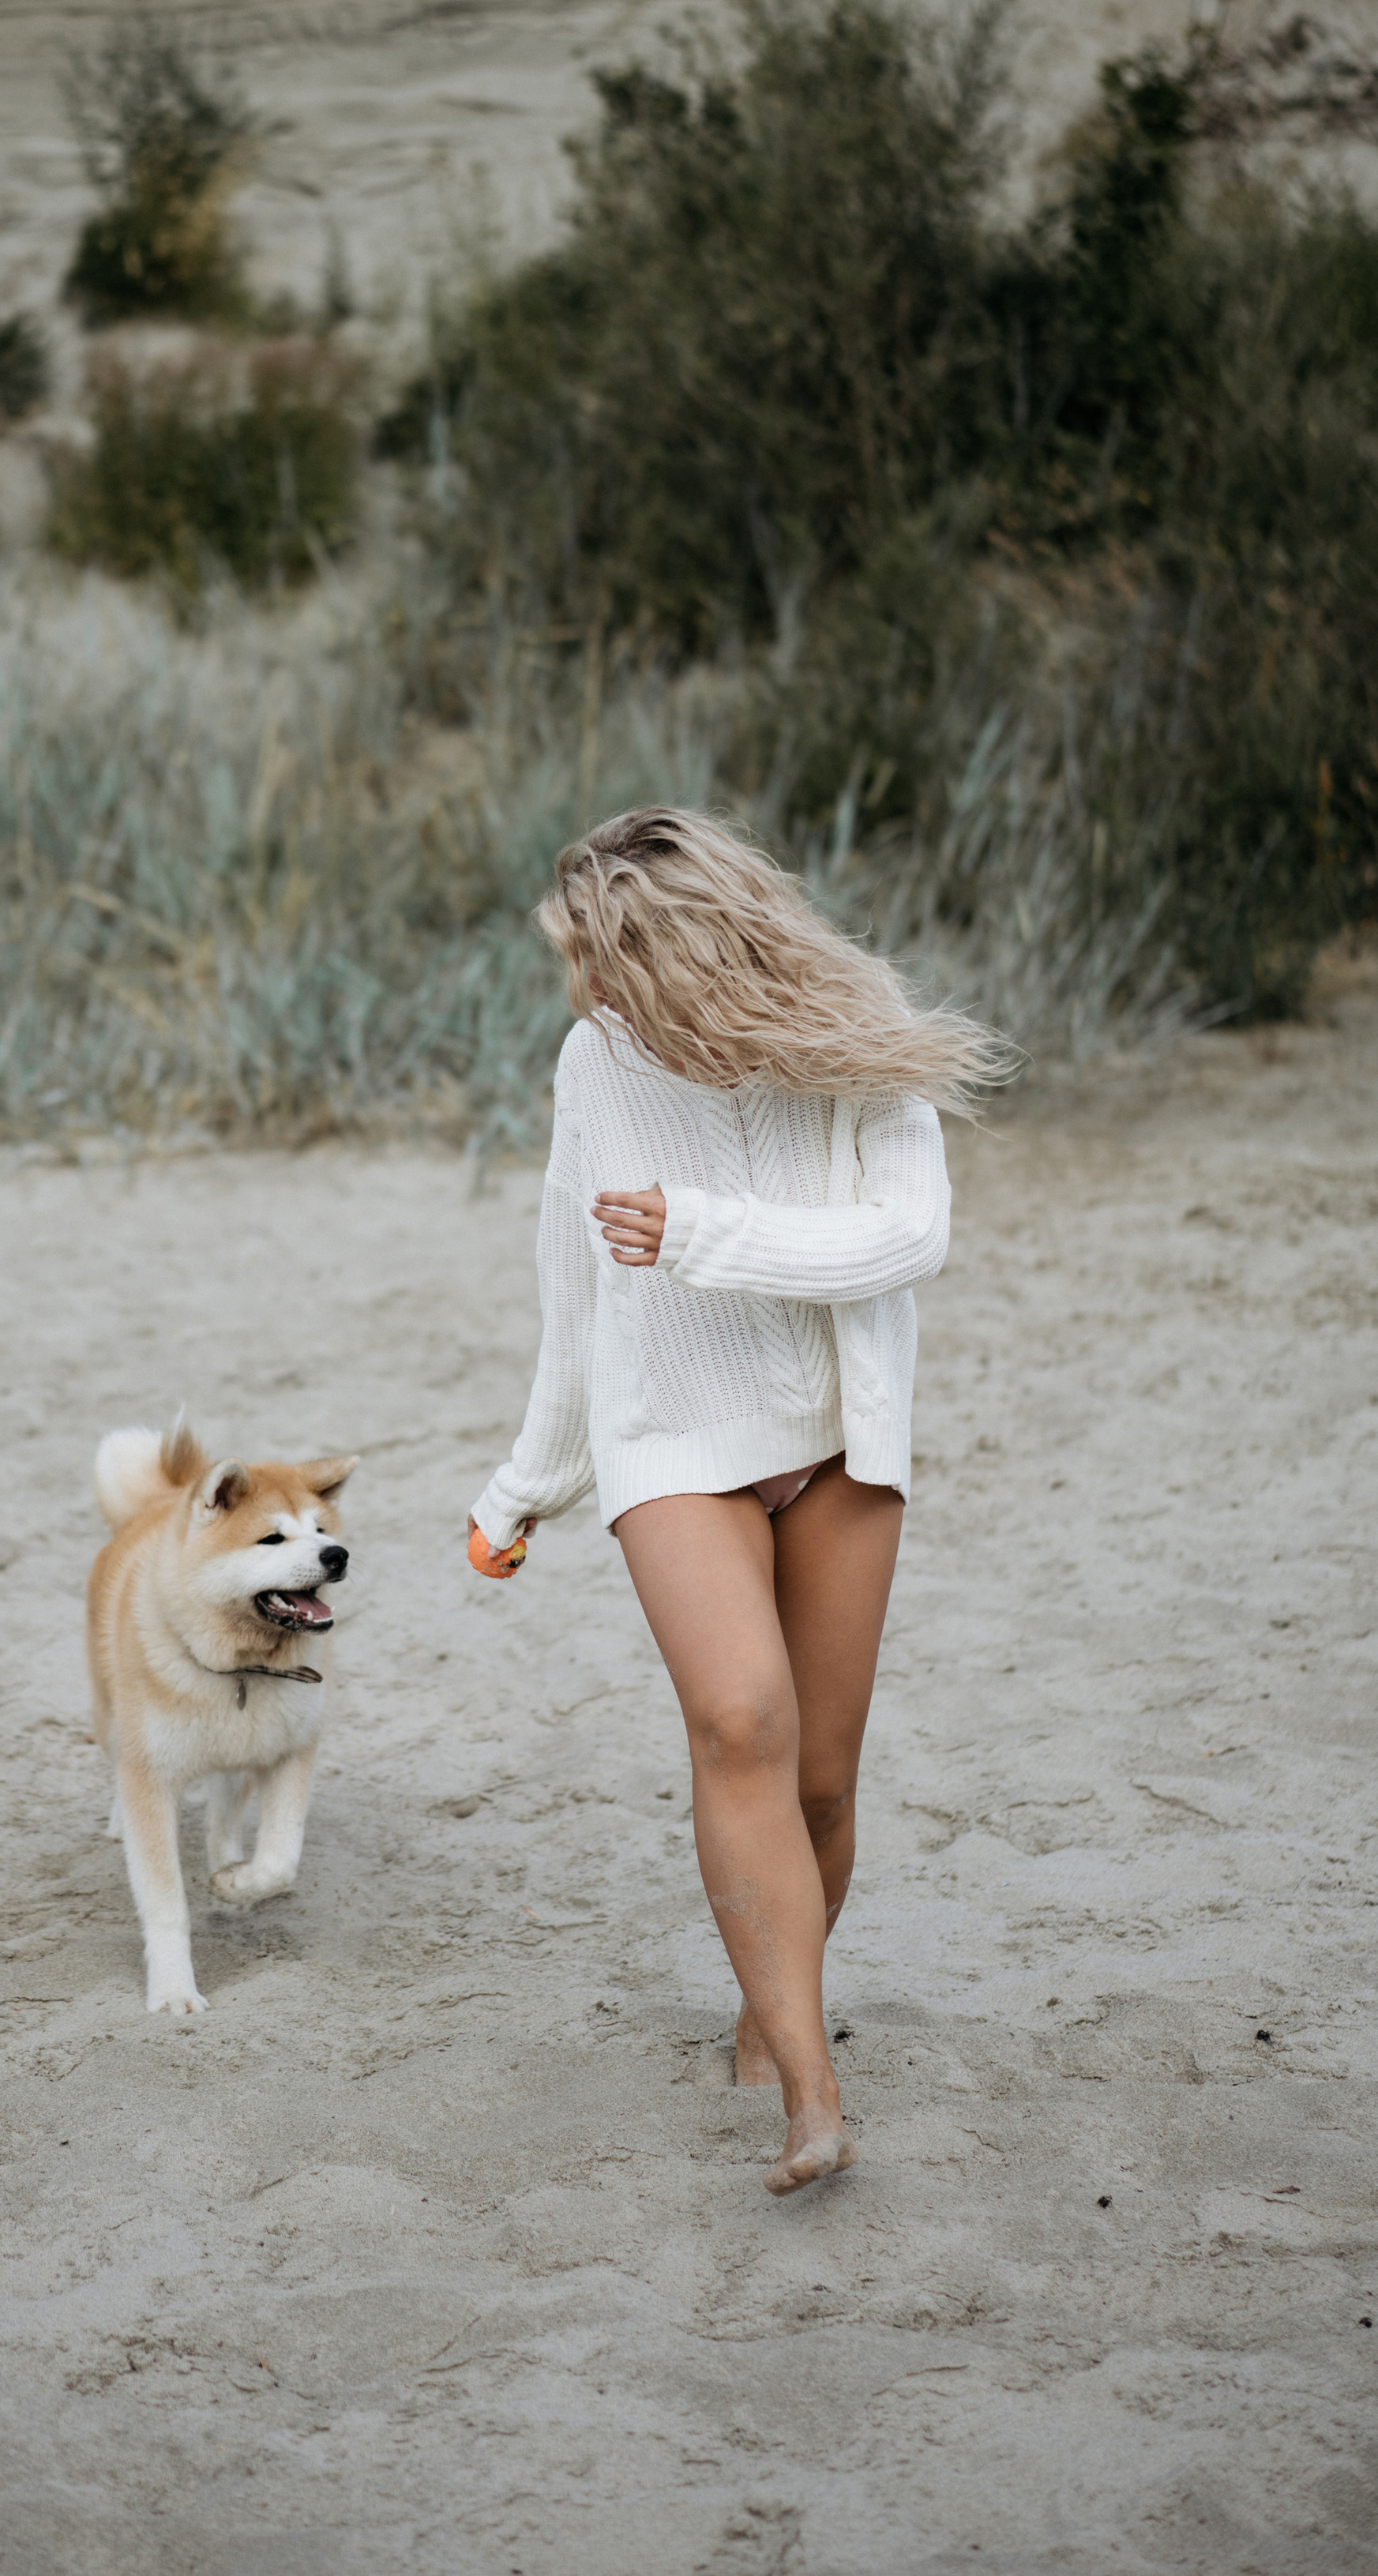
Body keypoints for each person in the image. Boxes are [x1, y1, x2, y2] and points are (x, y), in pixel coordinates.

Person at [467, 807, 1005, 2195]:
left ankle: (768, 2009)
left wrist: (707, 1232)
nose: (582, 989)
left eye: (597, 956)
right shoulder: (595, 1060)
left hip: (836, 1434)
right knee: (741, 1720)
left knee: (823, 1778)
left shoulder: (857, 1027)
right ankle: (811, 2095)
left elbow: (910, 1236)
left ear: (675, 947)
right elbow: (570, 1284)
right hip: (672, 1437)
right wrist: (528, 1480)